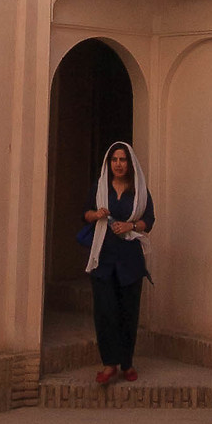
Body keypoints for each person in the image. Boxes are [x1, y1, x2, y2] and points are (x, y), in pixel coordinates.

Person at [83, 140, 153, 387]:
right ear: (108, 163)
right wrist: (98, 215)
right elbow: (86, 214)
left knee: (128, 312)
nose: (119, 164)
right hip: (103, 259)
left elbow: (148, 219)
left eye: (123, 160)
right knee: (105, 311)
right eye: (114, 160)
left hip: (129, 261)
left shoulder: (139, 191)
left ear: (130, 163)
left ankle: (127, 363)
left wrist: (131, 226)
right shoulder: (100, 188)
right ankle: (109, 364)